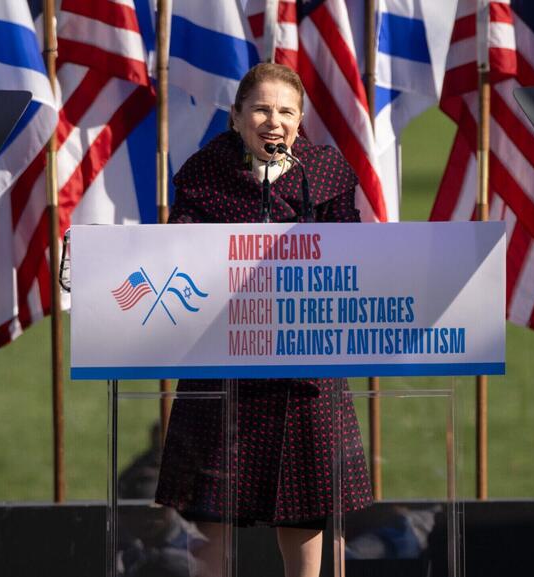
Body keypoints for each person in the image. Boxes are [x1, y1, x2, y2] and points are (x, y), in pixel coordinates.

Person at [154, 63, 372, 577]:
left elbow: (355, 253)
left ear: (300, 121)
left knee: (306, 509)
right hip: (223, 364)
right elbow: (177, 253)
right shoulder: (203, 173)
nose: (274, 122)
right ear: (235, 117)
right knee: (210, 513)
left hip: (305, 369)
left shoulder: (324, 171)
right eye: (261, 110)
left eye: (286, 112)